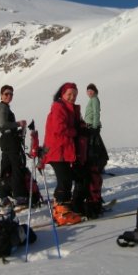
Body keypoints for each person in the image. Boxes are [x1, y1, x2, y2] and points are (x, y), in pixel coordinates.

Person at [41, 82, 84, 225]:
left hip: (62, 150)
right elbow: (60, 128)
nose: (72, 97)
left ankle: (61, 208)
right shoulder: (58, 107)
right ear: (62, 94)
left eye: (75, 95)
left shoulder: (68, 108)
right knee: (65, 180)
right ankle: (62, 212)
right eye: (69, 94)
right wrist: (76, 132)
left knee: (65, 180)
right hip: (57, 150)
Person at [0, 84, 29, 207]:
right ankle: (19, 196)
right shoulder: (3, 108)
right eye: (6, 94)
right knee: (16, 167)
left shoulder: (3, 107)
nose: (9, 96)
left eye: (11, 94)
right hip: (10, 140)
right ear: (1, 95)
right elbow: (3, 124)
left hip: (6, 140)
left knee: (6, 167)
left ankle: (4, 196)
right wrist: (18, 124)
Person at [85, 83, 109, 173]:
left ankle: (97, 166)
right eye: (88, 91)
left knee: (94, 148)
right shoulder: (92, 99)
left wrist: (94, 127)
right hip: (90, 126)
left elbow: (96, 113)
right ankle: (97, 166)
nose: (89, 92)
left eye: (91, 91)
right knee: (95, 147)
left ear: (94, 91)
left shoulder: (94, 99)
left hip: (92, 127)